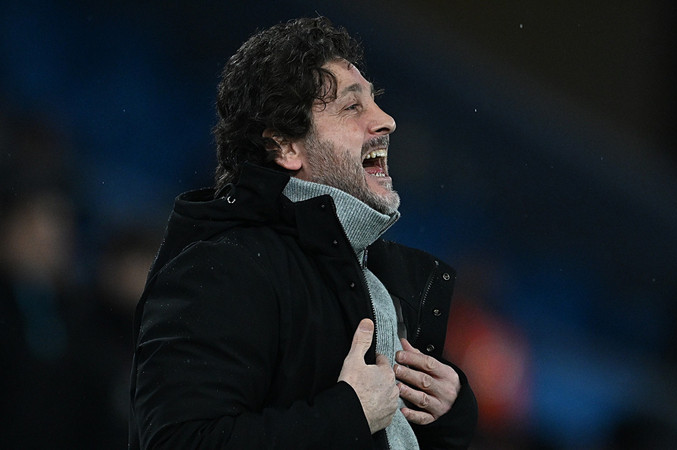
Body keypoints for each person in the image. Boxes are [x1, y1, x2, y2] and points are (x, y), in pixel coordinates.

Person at [129, 17, 477, 449]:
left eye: (375, 101)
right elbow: (179, 443)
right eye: (352, 107)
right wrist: (346, 414)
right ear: (285, 147)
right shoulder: (221, 268)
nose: (387, 120)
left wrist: (449, 416)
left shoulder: (382, 280)